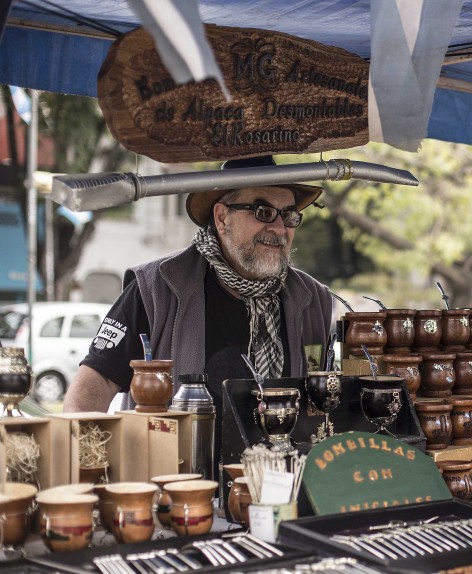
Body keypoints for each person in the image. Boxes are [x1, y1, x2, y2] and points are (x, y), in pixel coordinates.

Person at [63, 156, 334, 455]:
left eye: (289, 216)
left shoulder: (312, 299)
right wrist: (90, 476)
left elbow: (323, 406)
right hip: (180, 489)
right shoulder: (157, 288)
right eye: (264, 211)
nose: (280, 228)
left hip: (281, 485)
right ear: (221, 218)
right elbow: (91, 390)